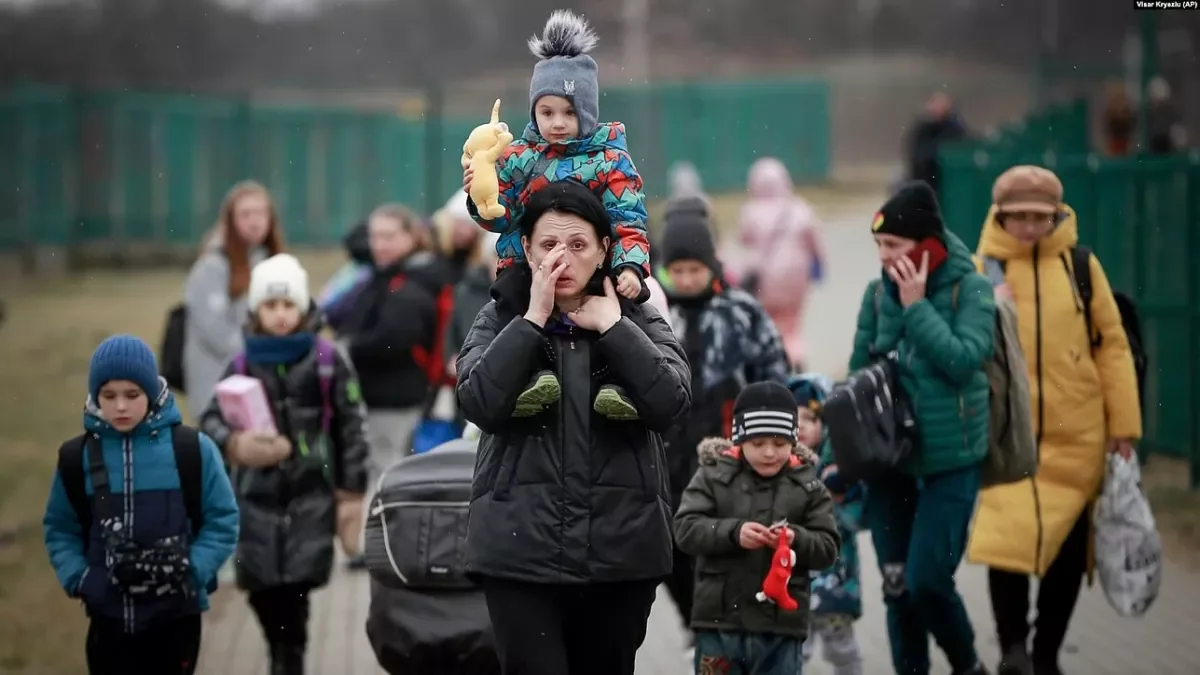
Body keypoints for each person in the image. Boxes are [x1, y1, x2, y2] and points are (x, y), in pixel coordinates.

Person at [456, 180, 689, 675]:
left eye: (579, 245)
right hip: (519, 556)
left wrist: (614, 328)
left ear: (606, 249)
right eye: (548, 245)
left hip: (620, 555)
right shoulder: (499, 316)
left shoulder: (639, 317)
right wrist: (533, 319)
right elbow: (479, 401)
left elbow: (671, 401)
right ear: (525, 248)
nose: (562, 258)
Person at [966, 166, 1143, 675]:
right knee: (1007, 546)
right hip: (1006, 439)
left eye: (1039, 217)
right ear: (1000, 215)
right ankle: (1013, 649)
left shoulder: (1082, 268)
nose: (1028, 226)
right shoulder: (984, 271)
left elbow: (1112, 347)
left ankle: (1047, 653)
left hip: (1077, 436)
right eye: (1017, 216)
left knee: (1067, 553)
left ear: (1057, 215)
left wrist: (1122, 426)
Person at [847, 180, 995, 675]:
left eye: (895, 246)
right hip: (890, 463)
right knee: (898, 587)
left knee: (928, 580)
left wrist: (917, 307)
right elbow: (856, 385)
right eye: (879, 247)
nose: (885, 258)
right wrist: (832, 461)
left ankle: (966, 663)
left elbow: (963, 360)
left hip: (951, 463)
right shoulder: (875, 295)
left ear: (927, 246)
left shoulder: (969, 287)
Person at [199, 254, 370, 675]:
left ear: (303, 308)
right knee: (261, 592)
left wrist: (351, 493)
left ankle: (287, 660)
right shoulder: (240, 363)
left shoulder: (329, 361)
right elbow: (210, 420)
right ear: (256, 310)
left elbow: (351, 430)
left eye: (288, 305)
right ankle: (280, 652)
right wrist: (236, 443)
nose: (280, 315)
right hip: (254, 503)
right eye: (271, 306)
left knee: (295, 599)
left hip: (310, 502)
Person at [43, 335, 239, 675]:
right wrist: (82, 579)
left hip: (177, 620)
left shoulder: (193, 451)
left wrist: (193, 571)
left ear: (151, 391)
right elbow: (60, 528)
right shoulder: (77, 459)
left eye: (132, 395)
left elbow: (223, 520)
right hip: (108, 622)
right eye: (108, 395)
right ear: (95, 396)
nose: (120, 406)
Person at [654, 194, 790, 650]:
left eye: (697, 270)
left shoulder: (739, 312)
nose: (688, 280)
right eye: (679, 271)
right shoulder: (650, 313)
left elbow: (774, 372)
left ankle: (720, 625)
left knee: (719, 543)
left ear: (713, 266)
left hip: (725, 447)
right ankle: (698, 618)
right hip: (665, 451)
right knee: (668, 548)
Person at [462, 10, 650, 299]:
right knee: (496, 328)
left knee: (629, 322)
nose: (558, 123)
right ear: (534, 112)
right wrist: (481, 199)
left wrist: (629, 268)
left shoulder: (610, 161)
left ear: (587, 114)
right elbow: (503, 219)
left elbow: (626, 219)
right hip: (525, 276)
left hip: (592, 278)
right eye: (547, 112)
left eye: (570, 112)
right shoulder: (515, 157)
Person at [674, 381, 840, 675]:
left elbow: (828, 546)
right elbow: (685, 530)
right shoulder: (712, 475)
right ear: (738, 439)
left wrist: (795, 538)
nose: (768, 453)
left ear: (793, 441)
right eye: (758, 443)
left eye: (779, 443)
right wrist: (733, 533)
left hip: (781, 629)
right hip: (719, 624)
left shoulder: (808, 485)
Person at [337, 203, 451, 485]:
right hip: (382, 394)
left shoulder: (412, 284)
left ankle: (386, 529)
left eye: (389, 236)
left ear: (411, 237)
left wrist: (348, 349)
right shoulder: (387, 275)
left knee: (388, 473)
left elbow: (392, 339)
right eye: (375, 236)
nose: (379, 245)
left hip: (396, 397)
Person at [183, 180, 286, 416]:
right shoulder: (211, 268)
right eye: (245, 214)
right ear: (230, 220)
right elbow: (216, 334)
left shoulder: (273, 263)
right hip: (219, 388)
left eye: (261, 213)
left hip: (264, 384)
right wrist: (264, 355)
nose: (254, 221)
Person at [789, 373, 865, 675]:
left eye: (811, 417)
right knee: (794, 649)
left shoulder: (838, 469)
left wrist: (837, 495)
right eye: (793, 418)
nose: (801, 425)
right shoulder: (776, 465)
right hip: (791, 583)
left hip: (836, 579)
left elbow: (856, 519)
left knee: (841, 647)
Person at [729, 157, 826, 367]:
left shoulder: (750, 211)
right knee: (792, 323)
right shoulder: (800, 208)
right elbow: (814, 242)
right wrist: (819, 266)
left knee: (769, 321)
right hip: (797, 278)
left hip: (764, 280)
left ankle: (774, 360)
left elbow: (743, 239)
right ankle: (796, 357)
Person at [905, 91, 967, 197]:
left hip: (945, 183)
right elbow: (916, 154)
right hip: (925, 179)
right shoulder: (923, 128)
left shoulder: (954, 128)